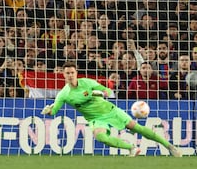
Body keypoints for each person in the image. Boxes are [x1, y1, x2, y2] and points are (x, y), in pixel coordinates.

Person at [41, 61, 182, 157]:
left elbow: (107, 90)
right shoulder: (64, 94)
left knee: (136, 127)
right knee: (100, 137)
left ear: (76, 72)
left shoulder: (88, 82)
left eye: (72, 72)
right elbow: (54, 110)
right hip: (95, 119)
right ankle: (131, 148)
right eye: (67, 73)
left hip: (110, 110)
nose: (70, 75)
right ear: (63, 75)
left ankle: (169, 146)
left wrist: (102, 93)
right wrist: (49, 110)